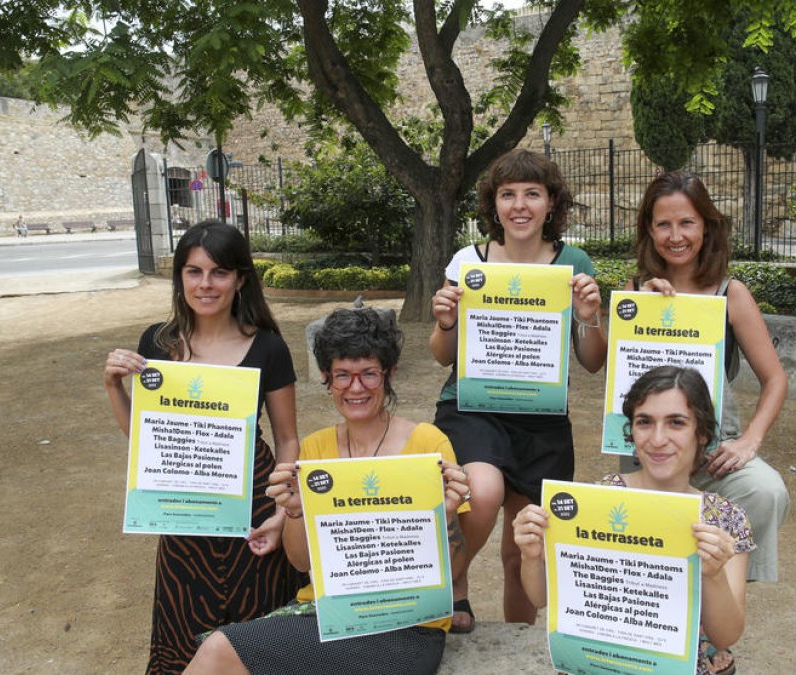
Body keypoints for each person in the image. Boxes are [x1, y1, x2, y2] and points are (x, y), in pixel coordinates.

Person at [185, 308, 472, 675]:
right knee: (218, 649)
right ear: (326, 378)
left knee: (219, 650)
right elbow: (302, 562)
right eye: (342, 375)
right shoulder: (316, 450)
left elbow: (455, 568)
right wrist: (294, 510)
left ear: (389, 374)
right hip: (329, 614)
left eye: (369, 373)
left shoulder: (428, 444)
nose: (356, 388)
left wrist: (446, 516)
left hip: (407, 624)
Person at [103, 219, 302, 674]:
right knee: (184, 633)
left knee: (259, 635)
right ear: (179, 278)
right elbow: (146, 442)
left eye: (219, 272)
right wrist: (115, 388)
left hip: (251, 509)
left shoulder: (267, 347)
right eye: (194, 272)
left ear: (240, 279)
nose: (206, 284)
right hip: (184, 514)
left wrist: (280, 510)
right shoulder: (156, 342)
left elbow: (288, 436)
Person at [429, 148, 607, 630]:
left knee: (522, 550)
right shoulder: (471, 260)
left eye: (533, 193)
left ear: (552, 203)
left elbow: (592, 364)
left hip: (542, 418)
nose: (520, 205)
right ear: (494, 204)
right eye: (508, 194)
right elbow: (443, 355)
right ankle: (446, 590)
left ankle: (517, 646)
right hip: (473, 408)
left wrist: (590, 319)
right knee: (481, 491)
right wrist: (447, 321)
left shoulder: (574, 262)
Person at [513, 366, 753, 675]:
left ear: (702, 432)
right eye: (644, 422)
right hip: (595, 665)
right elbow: (542, 598)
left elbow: (726, 635)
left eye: (676, 423)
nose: (657, 439)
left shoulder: (727, 520)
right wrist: (531, 556)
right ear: (631, 431)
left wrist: (713, 575)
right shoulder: (598, 500)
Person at [626, 171, 789, 584]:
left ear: (706, 227)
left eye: (687, 223)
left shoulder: (730, 293)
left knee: (765, 491)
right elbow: (603, 362)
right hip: (651, 445)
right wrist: (626, 312)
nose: (675, 235)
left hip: (712, 448)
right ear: (649, 229)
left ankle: (722, 610)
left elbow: (775, 379)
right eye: (663, 224)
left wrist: (749, 440)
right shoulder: (634, 291)